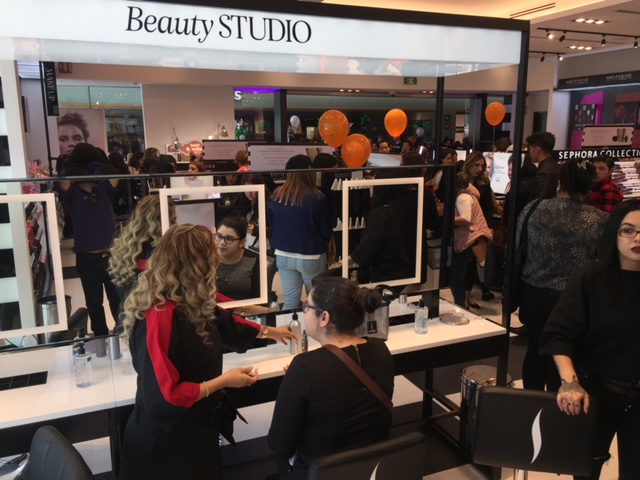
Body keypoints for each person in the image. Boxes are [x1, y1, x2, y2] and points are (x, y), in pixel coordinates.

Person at [119, 224, 295, 480]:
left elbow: (226, 324)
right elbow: (167, 396)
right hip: (166, 444)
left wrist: (270, 332)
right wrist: (224, 381)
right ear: (197, 264)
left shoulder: (189, 300)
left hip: (195, 431)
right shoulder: (160, 315)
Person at [540, 199, 640, 480]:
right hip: (596, 393)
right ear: (614, 233)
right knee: (585, 470)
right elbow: (558, 333)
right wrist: (570, 383)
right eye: (628, 230)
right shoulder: (592, 277)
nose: (637, 239)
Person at [268, 276, 394, 480]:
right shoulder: (381, 350)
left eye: (307, 306)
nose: (304, 311)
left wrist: (296, 380)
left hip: (320, 473)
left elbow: (280, 444)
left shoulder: (304, 367)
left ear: (324, 318)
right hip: (371, 469)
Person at [516, 159, 607, 391]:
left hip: (533, 292)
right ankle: (556, 405)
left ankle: (530, 401)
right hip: (573, 298)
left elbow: (518, 249)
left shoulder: (533, 209)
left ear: (560, 183)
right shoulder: (598, 220)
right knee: (564, 353)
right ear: (588, 186)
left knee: (535, 349)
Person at [59, 143, 120, 336]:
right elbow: (64, 179)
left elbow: (114, 176)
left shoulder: (104, 189)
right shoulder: (73, 193)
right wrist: (78, 168)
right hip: (87, 258)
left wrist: (96, 166)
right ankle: (101, 336)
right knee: (94, 302)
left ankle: (123, 333)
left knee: (117, 299)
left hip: (111, 256)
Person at [267, 155, 333, 310]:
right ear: (309, 170)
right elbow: (325, 228)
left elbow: (272, 222)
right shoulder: (317, 197)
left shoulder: (277, 195)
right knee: (316, 301)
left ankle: (288, 326)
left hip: (283, 253)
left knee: (290, 301)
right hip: (311, 254)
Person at [108, 196, 176, 331]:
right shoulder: (164, 254)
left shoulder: (125, 250)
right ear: (160, 222)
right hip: (152, 326)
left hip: (126, 323)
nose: (175, 225)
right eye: (173, 221)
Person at [450, 175, 493, 309]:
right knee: (460, 277)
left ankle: (460, 308)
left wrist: (447, 219)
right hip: (472, 240)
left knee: (456, 279)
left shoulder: (463, 197)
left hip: (469, 241)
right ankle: (462, 305)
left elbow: (466, 218)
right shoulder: (468, 196)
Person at [214, 216, 260, 300]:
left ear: (242, 242)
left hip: (246, 307)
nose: (222, 242)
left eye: (229, 239)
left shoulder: (253, 260)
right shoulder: (207, 258)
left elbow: (259, 298)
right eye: (219, 236)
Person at [526, 131, 559, 201]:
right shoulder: (556, 166)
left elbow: (540, 202)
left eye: (530, 149)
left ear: (537, 150)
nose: (530, 152)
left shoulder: (543, 173)